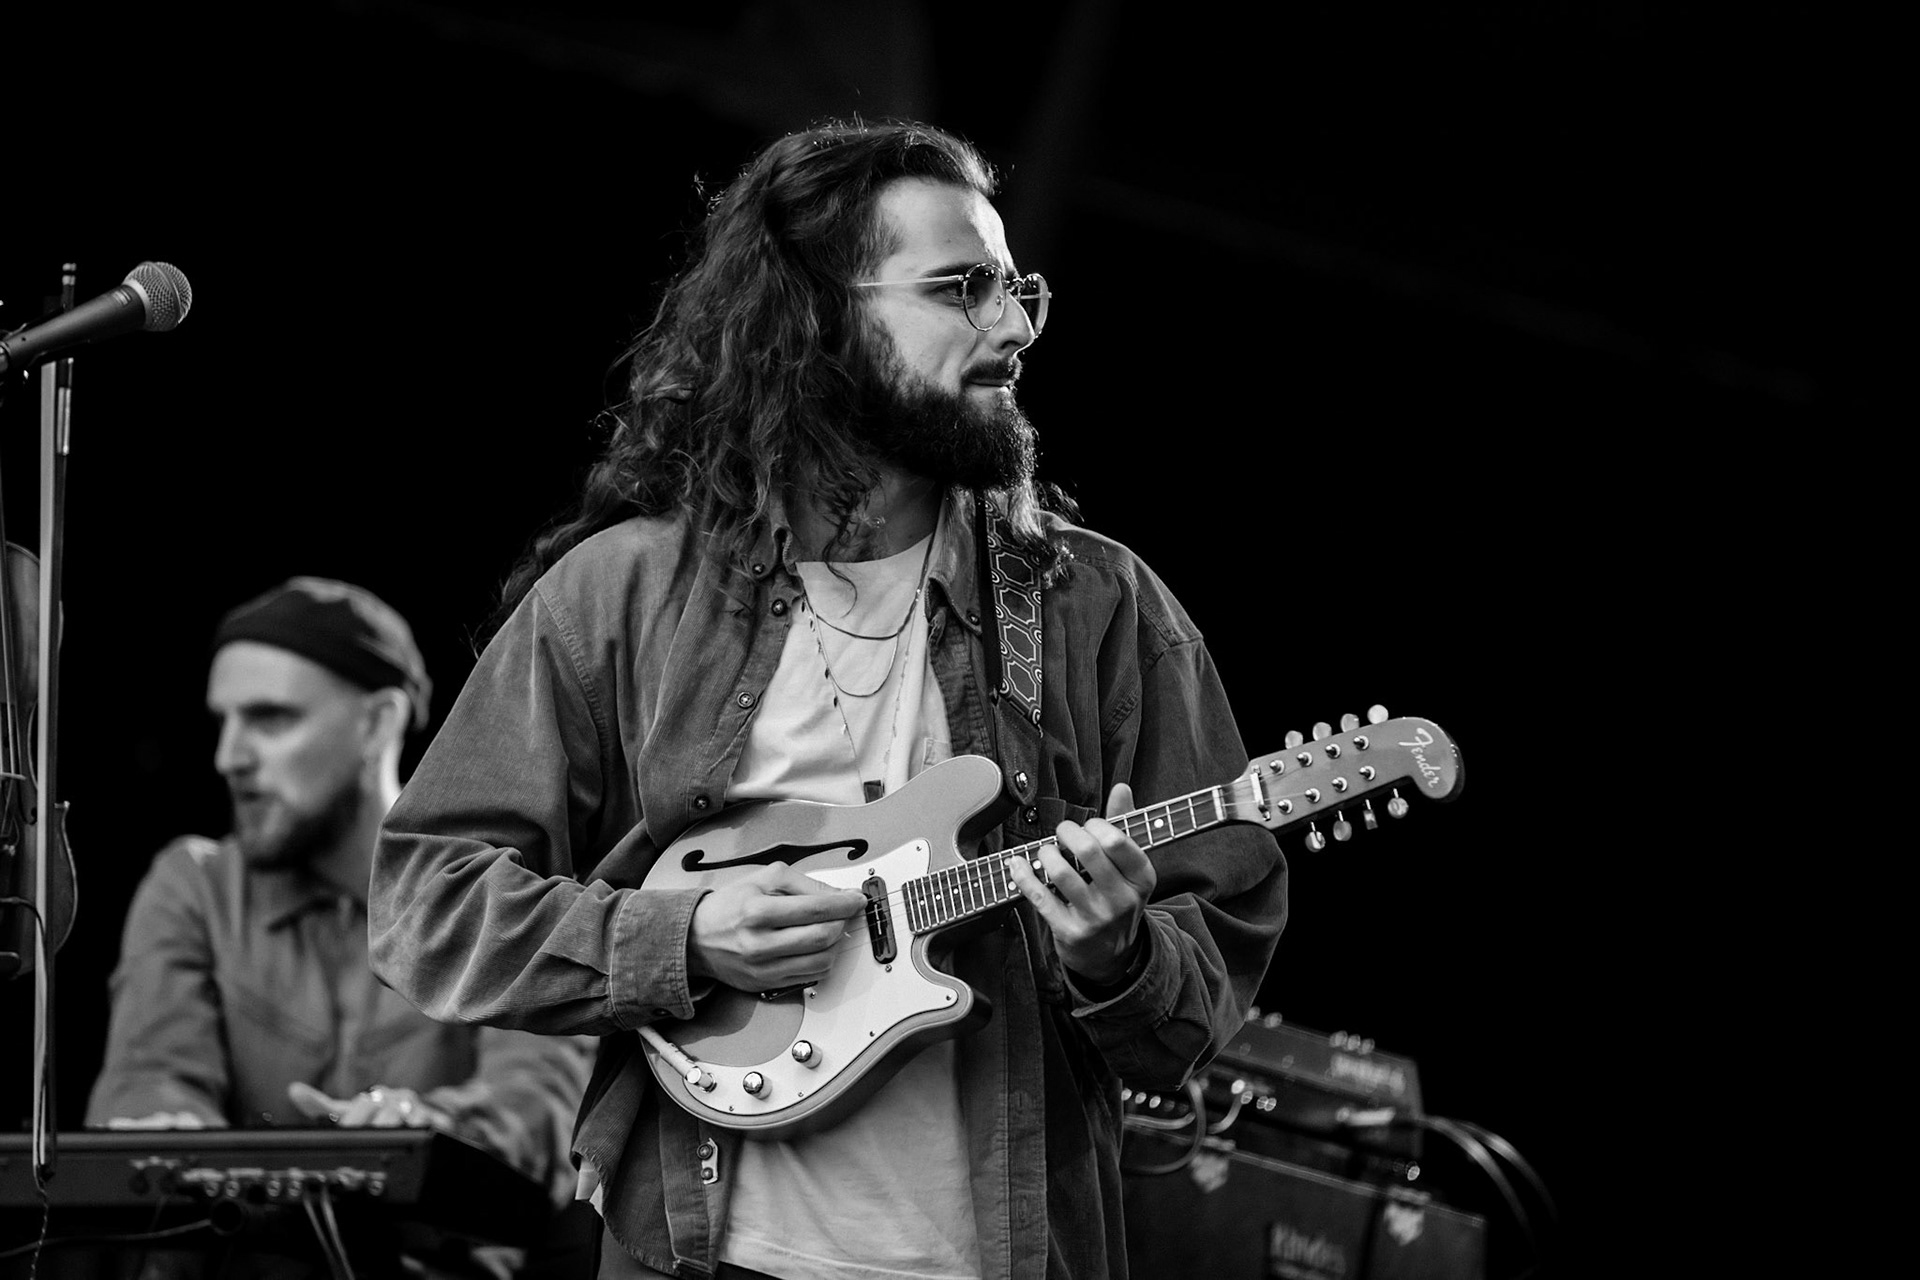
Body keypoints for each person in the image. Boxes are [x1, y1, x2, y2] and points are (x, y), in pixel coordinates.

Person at [368, 120, 1288, 1280]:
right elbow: (427, 897)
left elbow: (1198, 1005)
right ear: (814, 320)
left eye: (1019, 291)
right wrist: (679, 936)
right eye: (961, 287)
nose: (1012, 327)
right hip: (695, 1253)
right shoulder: (629, 591)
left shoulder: (1099, 608)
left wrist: (1117, 954)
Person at [87, 577, 594, 1271]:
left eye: (269, 719)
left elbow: (535, 1110)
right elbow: (152, 1074)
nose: (229, 757)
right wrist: (164, 1128)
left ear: (377, 723)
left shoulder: (503, 894)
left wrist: (417, 1134)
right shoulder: (194, 885)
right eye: (224, 721)